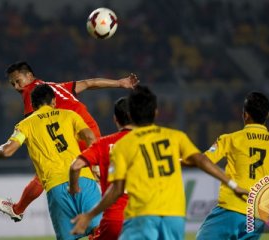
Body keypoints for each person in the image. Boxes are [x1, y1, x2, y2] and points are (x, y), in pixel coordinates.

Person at [70, 85, 248, 239]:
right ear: (156, 112)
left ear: (131, 114)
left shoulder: (124, 145)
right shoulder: (175, 137)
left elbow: (116, 189)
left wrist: (90, 215)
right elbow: (201, 160)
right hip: (174, 217)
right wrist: (232, 184)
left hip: (142, 216)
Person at [0, 61, 139, 222]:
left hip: (76, 133)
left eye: (18, 81)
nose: (16, 86)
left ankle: (18, 209)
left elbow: (35, 125)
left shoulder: (32, 92)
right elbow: (88, 83)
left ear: (29, 76)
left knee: (45, 174)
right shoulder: (55, 86)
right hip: (88, 130)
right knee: (98, 175)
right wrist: (119, 83)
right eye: (12, 84)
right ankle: (126, 211)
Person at [0, 84, 102, 240]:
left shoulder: (26, 125)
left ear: (32, 104)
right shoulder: (69, 115)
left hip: (56, 188)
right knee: (101, 232)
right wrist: (96, 167)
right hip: (84, 179)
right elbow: (91, 137)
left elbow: (7, 151)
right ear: (53, 101)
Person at [196, 91, 269, 240]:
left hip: (230, 209)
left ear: (245, 115)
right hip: (257, 216)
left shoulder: (230, 139)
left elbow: (203, 160)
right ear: (267, 116)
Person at [69, 96, 132, 240]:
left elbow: (75, 166)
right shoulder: (150, 142)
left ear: (115, 119)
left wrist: (74, 188)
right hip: (145, 217)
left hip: (115, 219)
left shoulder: (105, 143)